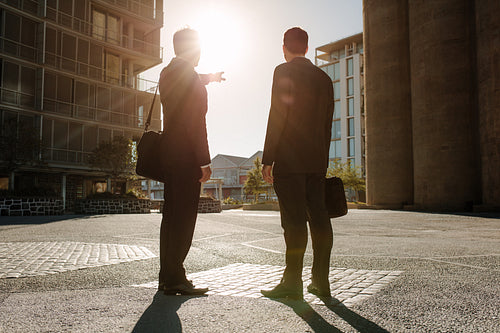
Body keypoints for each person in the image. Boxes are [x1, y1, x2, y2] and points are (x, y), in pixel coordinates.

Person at [260, 27, 334, 300]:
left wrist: (268, 158)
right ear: (306, 47)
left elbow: (277, 114)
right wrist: (322, 161)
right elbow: (328, 124)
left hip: (290, 161)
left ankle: (292, 283)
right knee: (320, 219)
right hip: (316, 161)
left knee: (293, 222)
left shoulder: (283, 71)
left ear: (284, 47)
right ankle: (321, 281)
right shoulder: (324, 79)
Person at [158, 28, 224, 295]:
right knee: (184, 219)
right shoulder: (190, 79)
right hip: (187, 158)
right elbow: (196, 121)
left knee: (171, 216)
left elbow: (190, 79)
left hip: (169, 157)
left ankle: (167, 275)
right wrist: (204, 161)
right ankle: (176, 278)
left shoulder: (168, 72)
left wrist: (210, 78)